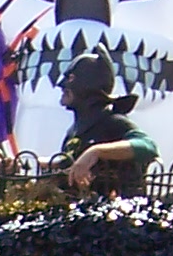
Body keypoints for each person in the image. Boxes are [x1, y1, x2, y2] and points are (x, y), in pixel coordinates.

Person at [53, 50, 157, 198]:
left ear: (88, 84)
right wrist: (28, 163)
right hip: (81, 212)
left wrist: (97, 151)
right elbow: (66, 164)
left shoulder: (113, 122)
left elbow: (148, 146)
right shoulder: (73, 132)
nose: (61, 85)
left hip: (118, 213)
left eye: (70, 78)